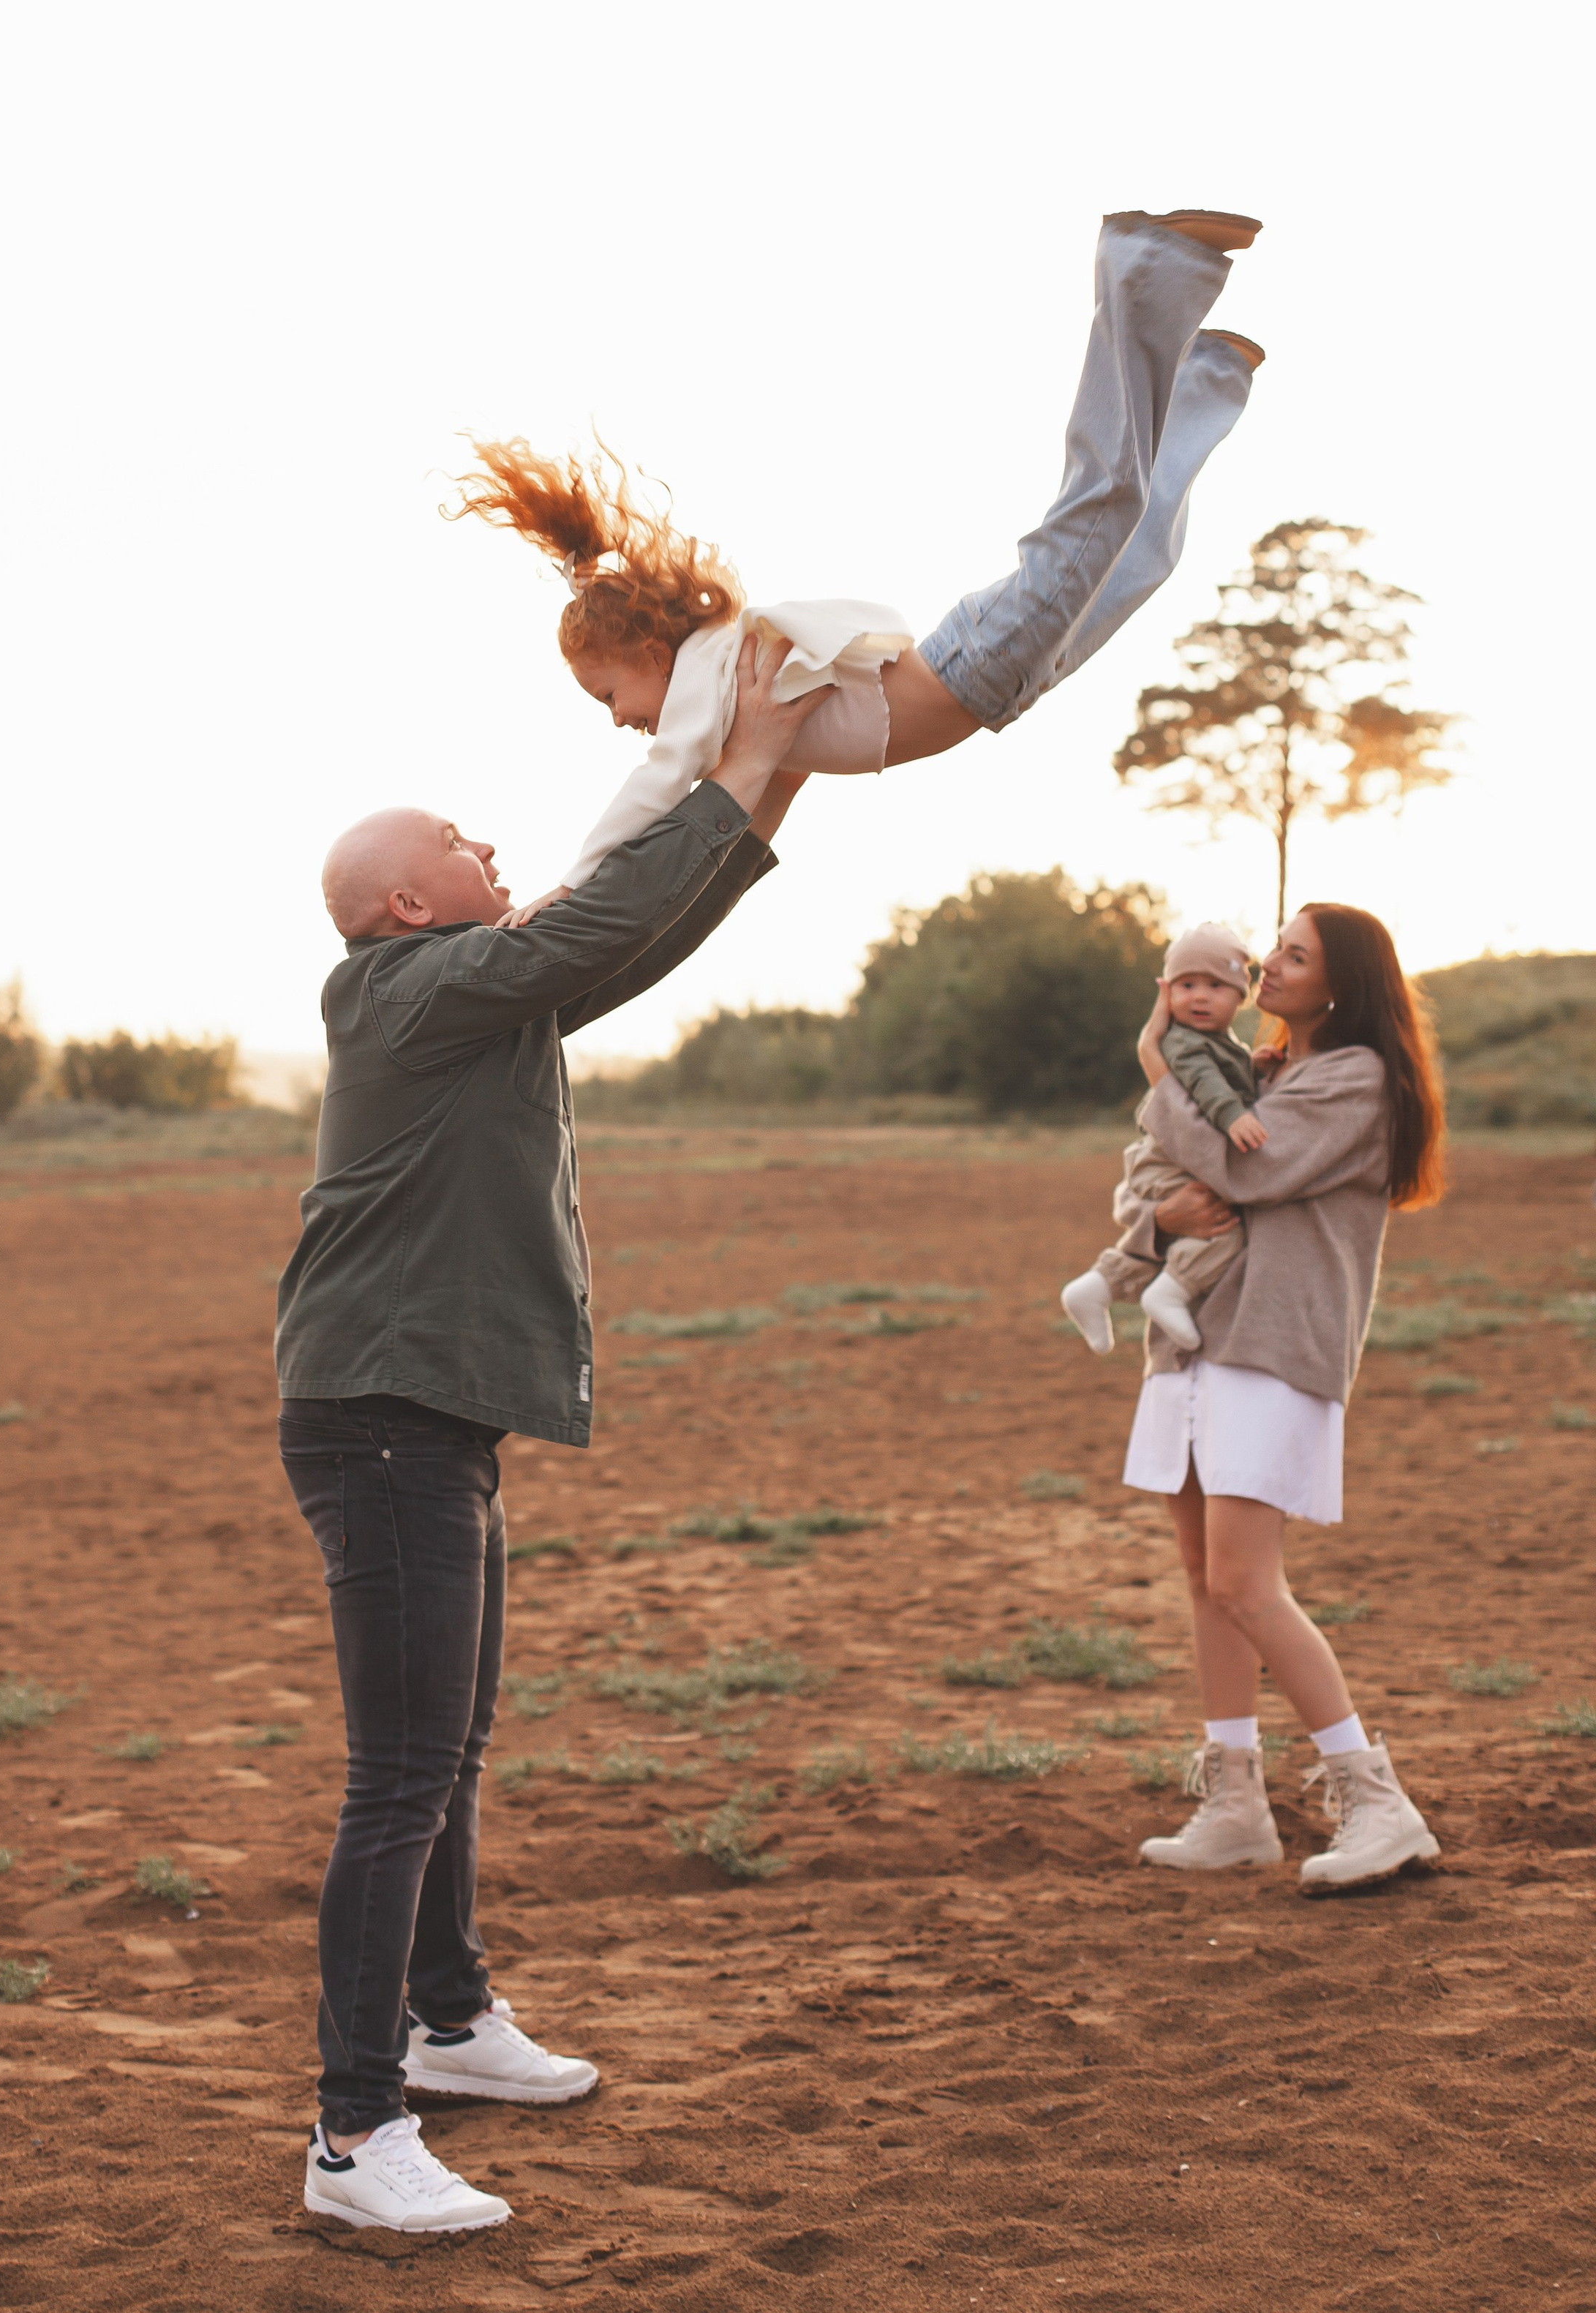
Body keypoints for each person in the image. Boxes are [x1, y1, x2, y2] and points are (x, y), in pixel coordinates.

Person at [275, 635, 822, 2237]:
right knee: (397, 1781)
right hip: (382, 1427)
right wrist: (740, 767)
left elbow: (615, 946)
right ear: (402, 904)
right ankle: (350, 2132)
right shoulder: (401, 992)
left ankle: (449, 2027)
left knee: (444, 1756)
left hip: (424, 1422)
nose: (489, 846)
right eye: (458, 839)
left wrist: (767, 780)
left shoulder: (475, 999)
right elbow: (589, 921)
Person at [445, 209, 1264, 923]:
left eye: (609, 692)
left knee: (1102, 505)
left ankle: (1145, 264)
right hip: (1001, 684)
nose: (618, 718)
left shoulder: (705, 673)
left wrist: (569, 885)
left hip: (969, 665)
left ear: (653, 653)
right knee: (1139, 556)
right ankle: (1207, 376)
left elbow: (658, 785)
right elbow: (727, 820)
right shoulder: (742, 707)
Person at [1123, 903, 1448, 1892]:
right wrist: (1153, 1217)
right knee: (1201, 1573)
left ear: (1342, 982)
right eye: (1275, 945)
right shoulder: (1259, 1072)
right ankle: (1236, 1804)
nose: (1270, 962)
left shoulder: (1358, 1082)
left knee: (1246, 1581)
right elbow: (1166, 1189)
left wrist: (1157, 1065)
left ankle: (1376, 1799)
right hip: (1198, 1344)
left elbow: (1237, 1166)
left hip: (1274, 1349)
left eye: (1296, 954)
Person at [1061, 922, 1268, 1353]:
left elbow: (1225, 1073)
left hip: (1167, 1157)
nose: (1198, 996)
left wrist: (1254, 1066)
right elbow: (1203, 1081)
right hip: (1166, 1160)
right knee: (1222, 1230)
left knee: (1184, 1234)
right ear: (1167, 993)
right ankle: (1170, 1292)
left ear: (1240, 995)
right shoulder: (1184, 1042)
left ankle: (1097, 1287)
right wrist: (1232, 1114)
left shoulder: (1222, 1042)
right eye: (1186, 984)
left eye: (1215, 985)